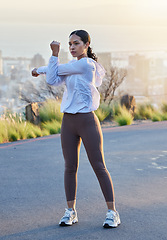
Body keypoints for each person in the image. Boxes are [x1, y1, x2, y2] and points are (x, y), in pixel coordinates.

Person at [32, 30, 121, 228]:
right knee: (70, 167)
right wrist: (41, 70)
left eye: (76, 43)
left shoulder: (86, 64)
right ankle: (71, 211)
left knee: (98, 166)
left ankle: (112, 212)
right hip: (68, 122)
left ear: (87, 45)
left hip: (87, 121)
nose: (72, 47)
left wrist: (51, 57)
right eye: (69, 44)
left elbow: (56, 70)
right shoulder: (72, 66)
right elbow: (54, 79)